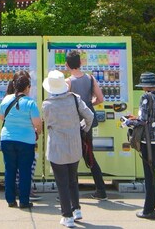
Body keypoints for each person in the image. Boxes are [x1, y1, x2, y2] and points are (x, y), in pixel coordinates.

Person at [41, 70, 93, 228]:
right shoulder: (75, 99)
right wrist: (82, 128)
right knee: (72, 180)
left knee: (62, 182)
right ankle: (76, 209)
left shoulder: (47, 104)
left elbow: (47, 123)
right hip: (74, 146)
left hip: (57, 148)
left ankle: (67, 216)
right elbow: (89, 116)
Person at [65, 50, 107, 199]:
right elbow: (100, 98)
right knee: (89, 154)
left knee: (72, 157)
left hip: (73, 123)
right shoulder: (90, 78)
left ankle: (71, 193)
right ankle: (101, 189)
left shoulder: (68, 82)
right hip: (88, 121)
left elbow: (64, 103)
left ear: (67, 65)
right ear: (80, 63)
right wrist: (89, 104)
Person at [128, 72, 155, 220]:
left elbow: (143, 120)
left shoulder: (145, 97)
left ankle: (148, 210)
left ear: (145, 86)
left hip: (149, 141)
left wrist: (127, 122)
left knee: (149, 175)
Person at [0, 72, 41, 210]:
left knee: (9, 169)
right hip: (26, 141)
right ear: (27, 87)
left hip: (7, 139)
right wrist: (37, 133)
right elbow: (37, 123)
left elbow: (1, 117)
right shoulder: (30, 103)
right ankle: (24, 201)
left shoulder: (6, 99)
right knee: (25, 171)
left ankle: (10, 200)